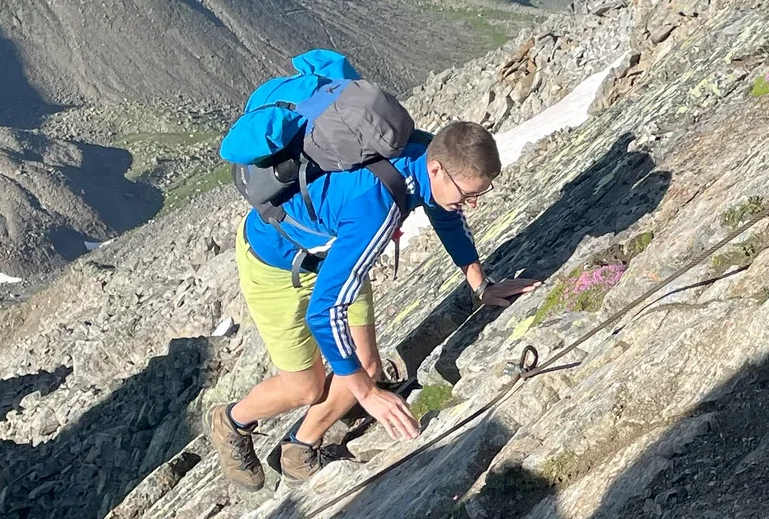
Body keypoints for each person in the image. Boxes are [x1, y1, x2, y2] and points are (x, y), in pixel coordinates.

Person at [207, 114, 538, 490]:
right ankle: (231, 422)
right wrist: (367, 394)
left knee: (365, 364)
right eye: (468, 194)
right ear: (437, 169)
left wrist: (480, 285)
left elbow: (445, 213)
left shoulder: (423, 154)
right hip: (274, 264)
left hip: (337, 252)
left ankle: (300, 448)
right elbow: (324, 311)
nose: (472, 204)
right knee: (307, 388)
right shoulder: (378, 207)